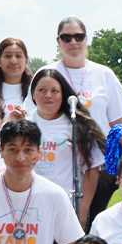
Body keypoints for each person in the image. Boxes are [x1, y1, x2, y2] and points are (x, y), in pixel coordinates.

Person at [27, 67, 105, 229]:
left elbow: (91, 169)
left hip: (67, 206)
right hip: (30, 206)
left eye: (54, 91)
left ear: (63, 95)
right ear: (33, 94)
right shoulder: (25, 122)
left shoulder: (75, 124)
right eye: (42, 90)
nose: (48, 95)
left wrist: (83, 210)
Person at [38, 18, 122, 130]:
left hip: (100, 147)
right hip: (56, 146)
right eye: (66, 38)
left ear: (86, 39)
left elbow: (119, 124)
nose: (73, 42)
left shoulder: (105, 74)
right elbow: (32, 116)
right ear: (58, 41)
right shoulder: (45, 75)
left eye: (79, 37)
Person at [0, 37, 32, 119]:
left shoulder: (35, 90)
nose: (13, 61)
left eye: (18, 56)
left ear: (26, 61)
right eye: (8, 56)